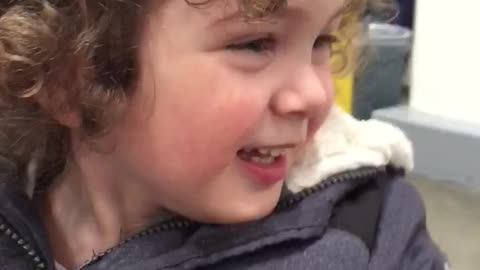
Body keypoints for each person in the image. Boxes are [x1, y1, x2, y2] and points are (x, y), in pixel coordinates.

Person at [0, 0, 448, 269]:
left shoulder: (372, 233)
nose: (315, 95)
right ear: (74, 80)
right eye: (254, 44)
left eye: (321, 42)